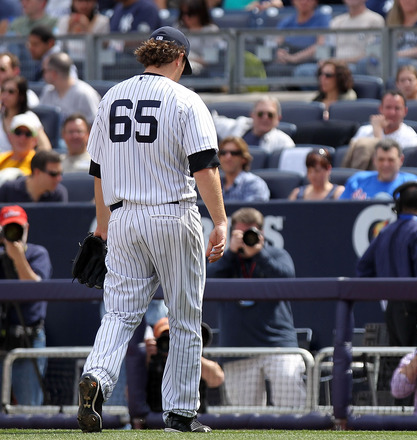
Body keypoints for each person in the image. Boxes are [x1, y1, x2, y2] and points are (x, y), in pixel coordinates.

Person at [78, 26, 228, 434]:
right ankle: (179, 413)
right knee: (184, 316)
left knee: (120, 313)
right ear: (178, 58)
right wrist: (220, 220)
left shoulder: (110, 97)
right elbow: (204, 166)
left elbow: (98, 172)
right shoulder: (184, 99)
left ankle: (97, 376)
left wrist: (103, 228)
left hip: (123, 216)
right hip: (171, 213)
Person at [206, 207, 306, 408]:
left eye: (251, 233)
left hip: (278, 345)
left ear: (262, 233)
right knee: (244, 418)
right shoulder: (226, 261)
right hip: (237, 349)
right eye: (241, 233)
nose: (246, 238)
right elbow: (207, 280)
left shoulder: (276, 254)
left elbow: (287, 280)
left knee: (293, 407)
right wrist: (230, 253)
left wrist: (260, 254)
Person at [356, 181, 417, 346]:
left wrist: (385, 293)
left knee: (399, 363)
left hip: (392, 309)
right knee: (416, 364)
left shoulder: (385, 231)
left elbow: (363, 268)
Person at [0, 205, 52, 406]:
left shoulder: (38, 253)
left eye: (18, 228)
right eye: (9, 229)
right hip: (2, 334)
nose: (15, 235)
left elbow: (36, 289)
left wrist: (18, 257)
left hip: (28, 338)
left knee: (28, 409)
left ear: (26, 227)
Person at [144, 317, 224, 416]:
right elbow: (130, 394)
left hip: (195, 418)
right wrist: (147, 358)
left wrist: (188, 353)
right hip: (158, 420)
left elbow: (217, 379)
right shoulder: (151, 361)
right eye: (168, 337)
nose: (173, 343)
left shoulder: (193, 357)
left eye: (177, 337)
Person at [212, 96, 296, 153]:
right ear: (252, 115)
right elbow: (212, 121)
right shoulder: (239, 125)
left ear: (278, 119)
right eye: (260, 114)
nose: (265, 118)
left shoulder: (284, 143)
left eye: (270, 115)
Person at [340, 138, 417, 200]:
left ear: (401, 160)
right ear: (374, 160)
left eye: (391, 160)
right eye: (381, 159)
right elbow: (342, 211)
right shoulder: (357, 181)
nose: (385, 164)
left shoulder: (412, 184)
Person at [39, 52, 101, 126]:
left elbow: (96, 126)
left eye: (44, 71)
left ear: (53, 74)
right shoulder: (47, 91)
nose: (42, 75)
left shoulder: (84, 93)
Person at [349, 91, 417, 150]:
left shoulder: (411, 138)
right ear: (380, 109)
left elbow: (384, 163)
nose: (392, 112)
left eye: (397, 108)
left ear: (405, 111)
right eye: (388, 107)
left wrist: (377, 135)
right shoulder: (364, 131)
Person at [326, 0, 385, 72]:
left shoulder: (375, 20)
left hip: (359, 67)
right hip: (336, 67)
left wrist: (341, 61)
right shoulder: (336, 21)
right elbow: (328, 47)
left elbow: (372, 53)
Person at [1, 76, 51, 152]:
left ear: (21, 96)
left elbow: (45, 147)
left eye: (11, 92)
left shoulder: (30, 118)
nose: (5, 95)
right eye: (3, 91)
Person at [0, 150, 67, 202]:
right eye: (53, 174)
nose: (59, 179)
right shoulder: (8, 190)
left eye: (60, 173)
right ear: (37, 172)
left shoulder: (58, 194)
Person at [176, 0, 220, 76]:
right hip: (178, 67)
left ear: (200, 13)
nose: (185, 17)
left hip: (202, 73)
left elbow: (209, 59)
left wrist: (188, 59)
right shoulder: (178, 28)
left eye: (190, 14)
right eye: (183, 14)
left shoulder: (211, 30)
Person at [219, 136, 270, 202]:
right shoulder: (215, 184)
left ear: (244, 159)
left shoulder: (254, 183)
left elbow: (251, 211)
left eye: (234, 153)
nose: (228, 157)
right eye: (223, 153)